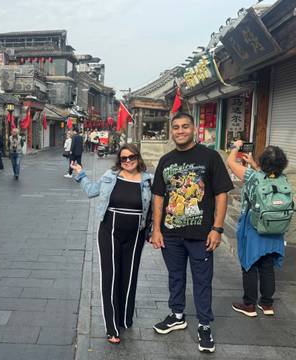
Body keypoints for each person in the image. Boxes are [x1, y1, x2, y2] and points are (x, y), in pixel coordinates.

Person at [151, 112, 234, 354]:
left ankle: (205, 325)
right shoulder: (165, 161)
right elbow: (158, 196)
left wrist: (217, 228)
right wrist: (157, 229)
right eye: (176, 127)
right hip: (171, 234)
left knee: (202, 281)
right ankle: (177, 315)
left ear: (194, 129)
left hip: (201, 234)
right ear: (171, 131)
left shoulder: (210, 157)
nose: (180, 131)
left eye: (185, 126)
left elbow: (221, 194)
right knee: (175, 276)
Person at [70, 143, 153, 344]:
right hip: (110, 231)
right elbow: (91, 191)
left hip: (136, 234)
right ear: (119, 160)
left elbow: (155, 206)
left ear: (138, 157)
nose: (128, 161)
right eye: (123, 158)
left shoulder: (148, 180)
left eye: (131, 157)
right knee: (110, 276)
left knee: (130, 276)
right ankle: (111, 327)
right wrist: (80, 174)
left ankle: (125, 317)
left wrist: (154, 229)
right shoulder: (111, 176)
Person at [226, 140, 288, 317]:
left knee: (250, 264)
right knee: (267, 265)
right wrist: (254, 164)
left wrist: (236, 147)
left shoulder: (252, 176)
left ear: (263, 161)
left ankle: (249, 305)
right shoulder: (282, 178)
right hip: (275, 227)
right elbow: (267, 176)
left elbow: (230, 163)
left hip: (254, 225)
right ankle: (267, 304)